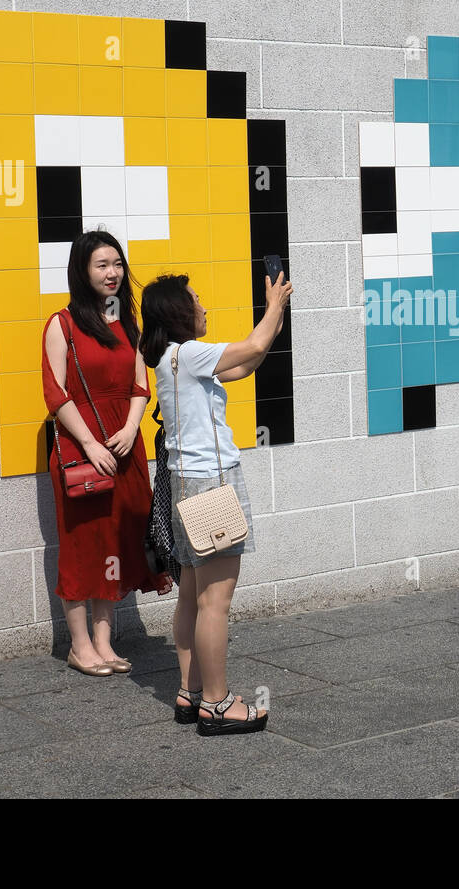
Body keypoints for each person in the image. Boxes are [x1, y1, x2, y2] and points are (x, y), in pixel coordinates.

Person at [140, 270, 291, 735]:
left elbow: (244, 365)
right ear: (178, 312)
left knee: (192, 593)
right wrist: (274, 305)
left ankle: (190, 693)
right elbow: (247, 348)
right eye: (196, 300)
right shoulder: (189, 352)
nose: (203, 307)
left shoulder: (173, 358)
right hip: (213, 484)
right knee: (216, 602)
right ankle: (217, 703)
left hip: (188, 483)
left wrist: (274, 320)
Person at [41, 231, 171, 677]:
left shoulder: (126, 321)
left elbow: (140, 385)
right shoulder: (62, 323)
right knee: (82, 545)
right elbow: (54, 393)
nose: (112, 272)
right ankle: (79, 645)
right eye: (102, 265)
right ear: (83, 270)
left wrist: (132, 427)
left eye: (117, 263)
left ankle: (103, 640)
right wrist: (92, 443)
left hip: (124, 444)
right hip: (82, 449)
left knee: (116, 539)